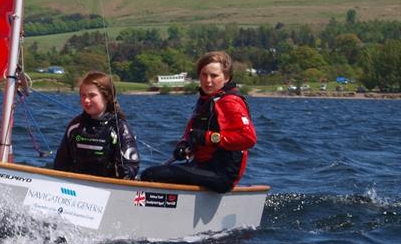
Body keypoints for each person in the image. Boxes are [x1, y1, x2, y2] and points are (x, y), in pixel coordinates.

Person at [140, 51, 256, 193]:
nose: (208, 81)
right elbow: (190, 132)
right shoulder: (206, 100)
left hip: (221, 175)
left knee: (151, 175)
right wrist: (184, 145)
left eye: (214, 76)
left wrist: (209, 138)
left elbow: (248, 138)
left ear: (226, 78)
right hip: (202, 167)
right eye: (204, 75)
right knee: (157, 172)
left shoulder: (230, 102)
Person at [53, 71, 140, 179]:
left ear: (106, 97)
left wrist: (125, 173)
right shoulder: (75, 126)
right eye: (83, 95)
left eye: (92, 95)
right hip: (75, 188)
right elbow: (60, 164)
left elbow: (131, 167)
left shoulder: (119, 128)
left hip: (109, 188)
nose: (86, 100)